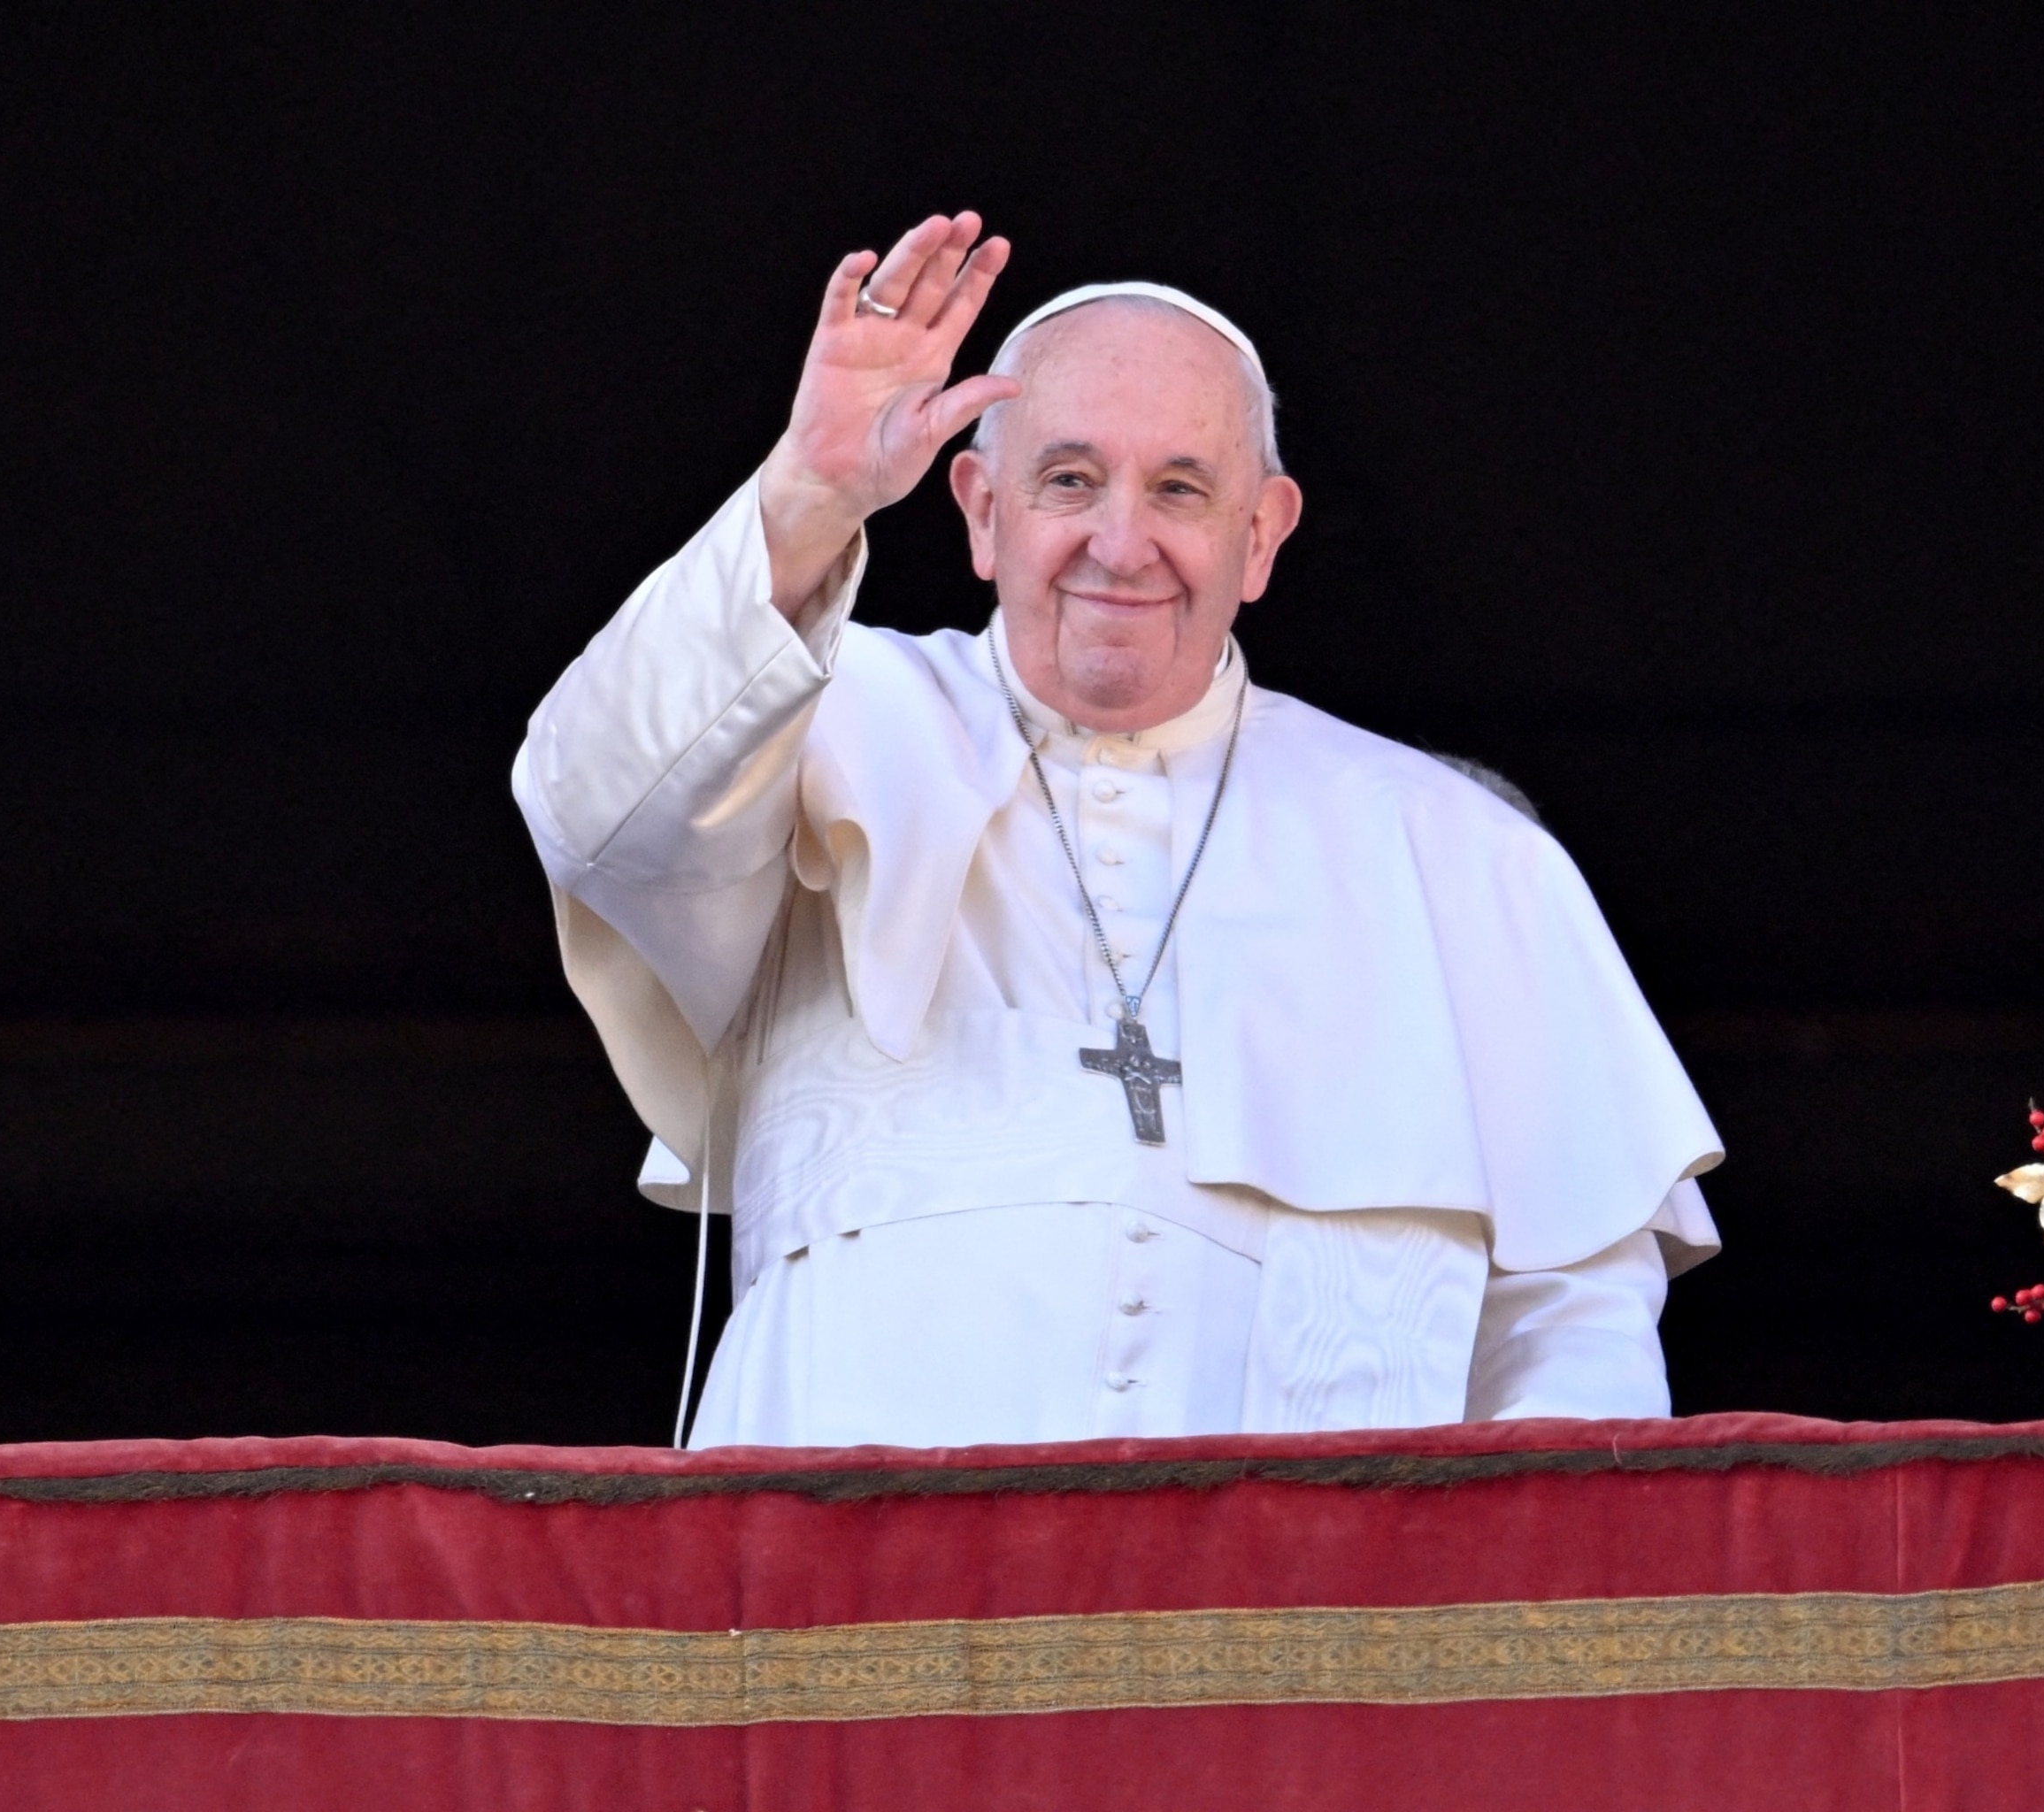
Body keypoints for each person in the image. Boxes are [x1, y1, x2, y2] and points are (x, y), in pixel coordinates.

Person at [512, 212, 1723, 1449]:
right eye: (1071, 480)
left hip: (1293, 1627)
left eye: (1182, 490)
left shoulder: (1460, 855)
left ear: (1262, 536)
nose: (1120, 543)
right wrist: (809, 498)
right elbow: (598, 807)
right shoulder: (816, 718)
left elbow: (1574, 1332)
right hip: (851, 1610)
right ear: (980, 510)